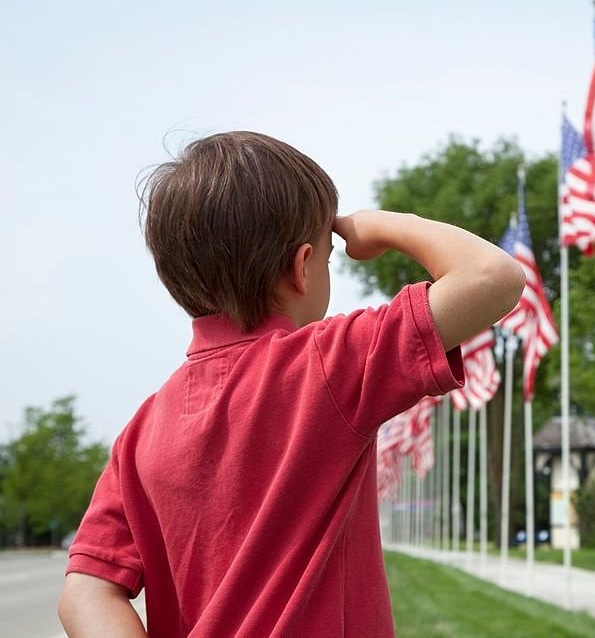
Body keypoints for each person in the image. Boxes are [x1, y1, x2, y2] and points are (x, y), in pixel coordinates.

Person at [56, 131, 525, 637]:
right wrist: (383, 226)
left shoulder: (141, 432)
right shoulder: (326, 364)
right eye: (328, 255)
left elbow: (85, 590)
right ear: (302, 268)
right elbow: (491, 276)